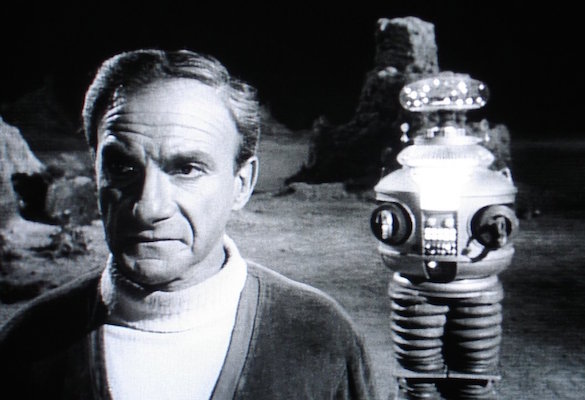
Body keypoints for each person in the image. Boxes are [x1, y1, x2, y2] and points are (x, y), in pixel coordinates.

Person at [0, 49, 377, 399]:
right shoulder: (27, 347)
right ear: (96, 169)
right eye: (122, 167)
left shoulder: (320, 338)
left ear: (241, 184)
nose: (148, 208)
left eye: (186, 169)